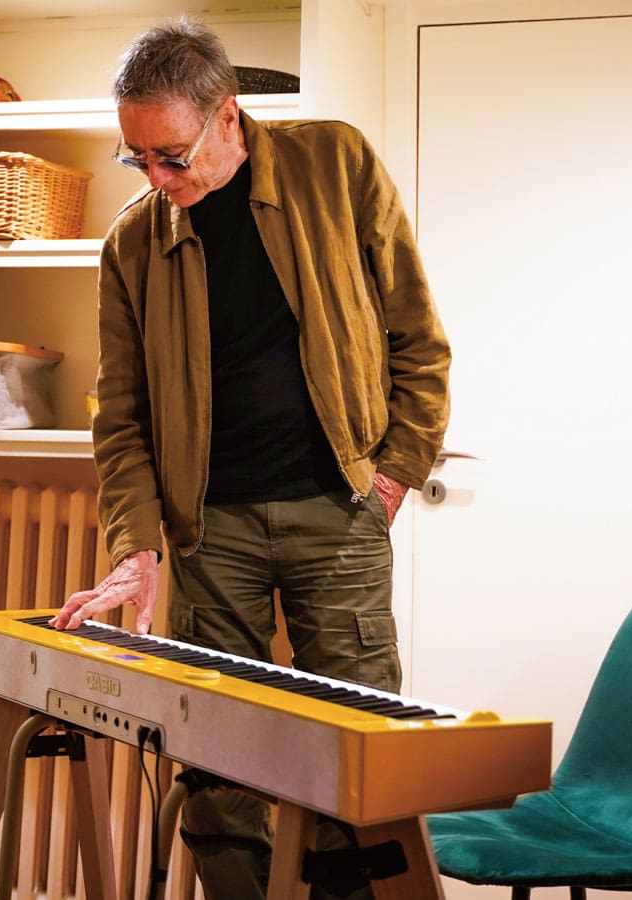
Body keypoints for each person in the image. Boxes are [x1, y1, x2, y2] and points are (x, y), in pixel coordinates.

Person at [49, 18, 451, 900]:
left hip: (339, 511)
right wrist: (136, 546)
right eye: (136, 159)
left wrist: (392, 474)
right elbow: (120, 417)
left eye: (172, 156)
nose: (157, 179)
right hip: (210, 533)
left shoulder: (335, 164)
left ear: (227, 115)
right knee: (216, 772)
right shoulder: (131, 244)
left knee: (358, 758)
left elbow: (418, 340)